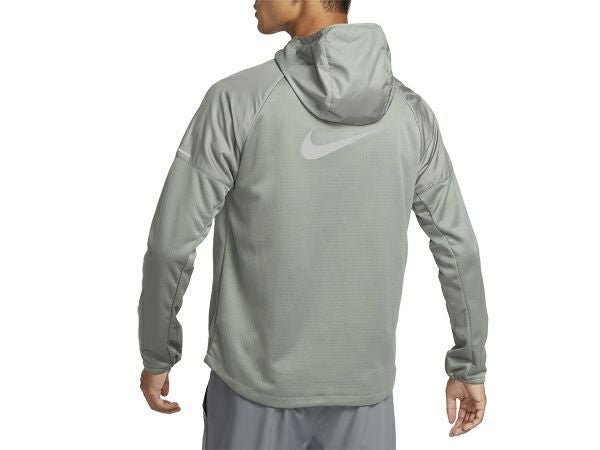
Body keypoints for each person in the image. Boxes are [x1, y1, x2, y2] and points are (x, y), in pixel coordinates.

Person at [137, 0, 489, 448]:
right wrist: (469, 364)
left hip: (254, 393)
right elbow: (458, 248)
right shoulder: (411, 114)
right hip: (366, 397)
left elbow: (172, 246)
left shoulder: (238, 100)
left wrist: (158, 353)